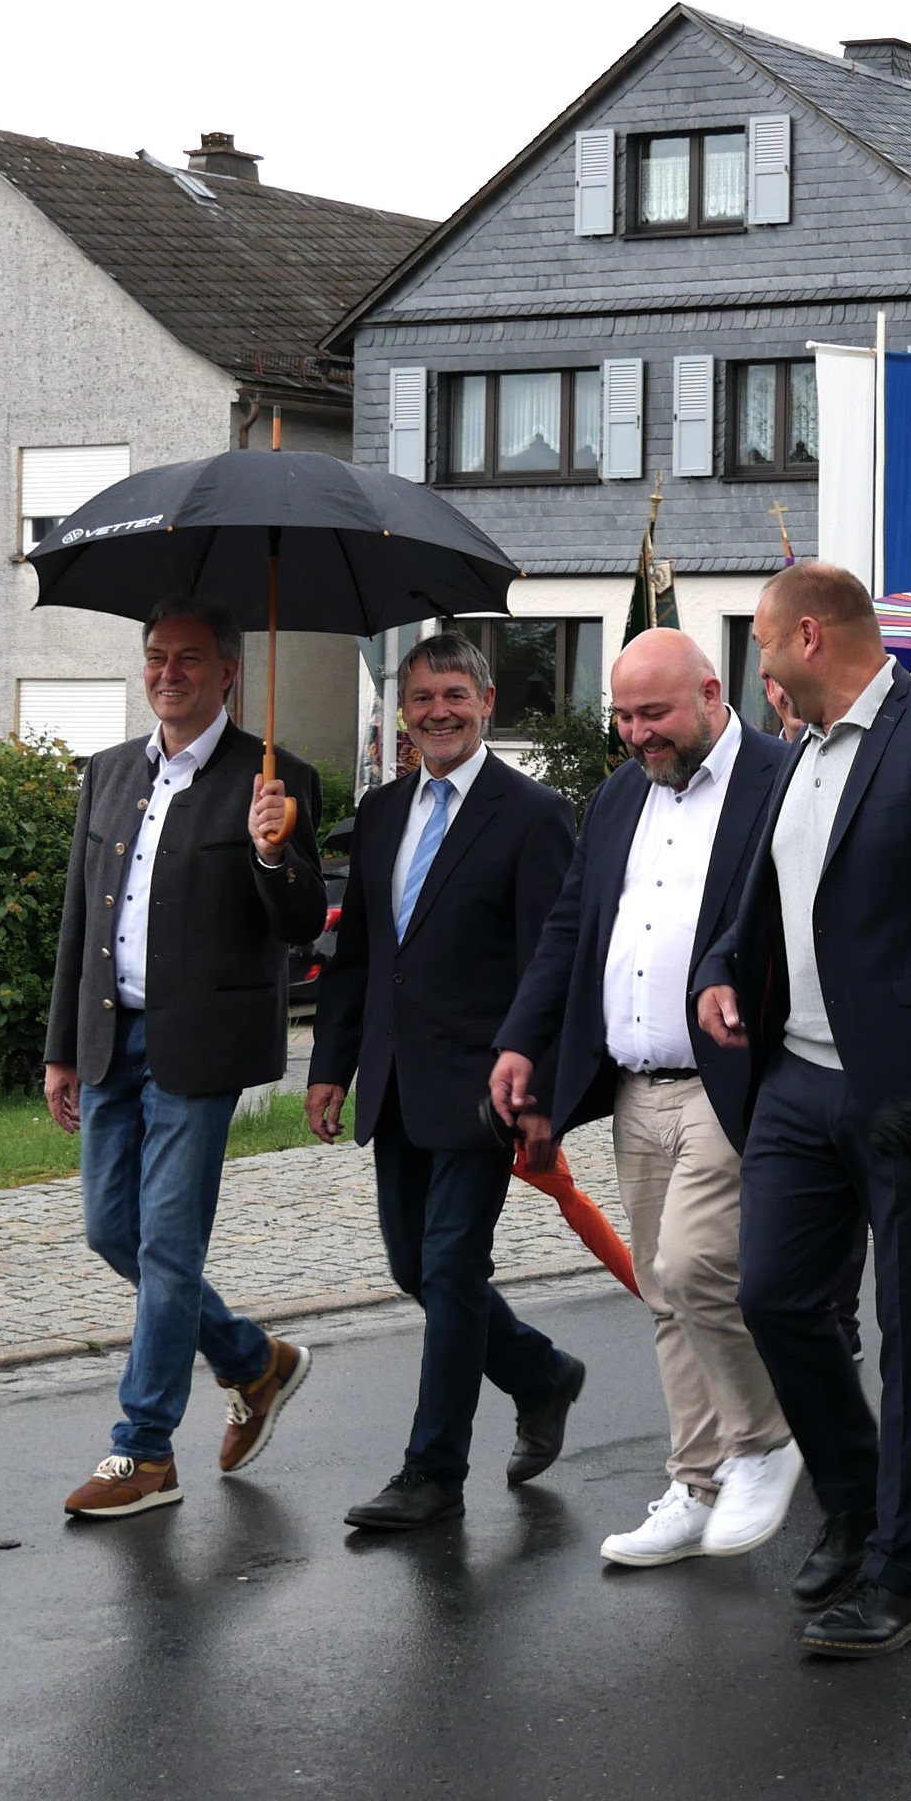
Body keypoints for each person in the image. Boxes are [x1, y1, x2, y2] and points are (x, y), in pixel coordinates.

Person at [694, 563, 911, 1659]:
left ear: (806, 634)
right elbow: (772, 890)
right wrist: (723, 965)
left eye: (759, 638)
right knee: (774, 1296)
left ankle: (898, 1573)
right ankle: (850, 1495)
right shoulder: (798, 751)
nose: (755, 656)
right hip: (796, 1080)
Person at [493, 629, 800, 1567]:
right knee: (664, 1291)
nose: (636, 734)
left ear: (713, 692)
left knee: (699, 1264)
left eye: (654, 713)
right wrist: (523, 1045)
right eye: (623, 716)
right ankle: (695, 1481)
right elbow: (573, 926)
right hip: (635, 1083)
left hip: (732, 1077)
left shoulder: (779, 781)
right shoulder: (623, 792)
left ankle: (767, 1444)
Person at [43, 598, 326, 1519]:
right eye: (157, 657)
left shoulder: (273, 779)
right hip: (109, 1040)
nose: (170, 673)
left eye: (191, 660)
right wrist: (61, 1052)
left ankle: (144, 1450)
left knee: (167, 1245)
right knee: (109, 1232)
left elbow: (298, 928)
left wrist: (273, 852)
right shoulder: (110, 773)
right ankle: (254, 1360)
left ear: (229, 672)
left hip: (197, 1049)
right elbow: (80, 922)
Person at [310, 633, 581, 1531]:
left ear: (488, 700)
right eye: (422, 697)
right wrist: (330, 1067)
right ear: (404, 710)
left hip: (483, 1083)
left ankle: (433, 1475)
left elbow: (552, 959)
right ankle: (541, 1373)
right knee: (411, 1265)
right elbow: (360, 956)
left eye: (455, 694)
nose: (438, 711)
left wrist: (539, 1088)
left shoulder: (533, 813)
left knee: (453, 1269)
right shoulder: (383, 811)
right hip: (393, 1080)